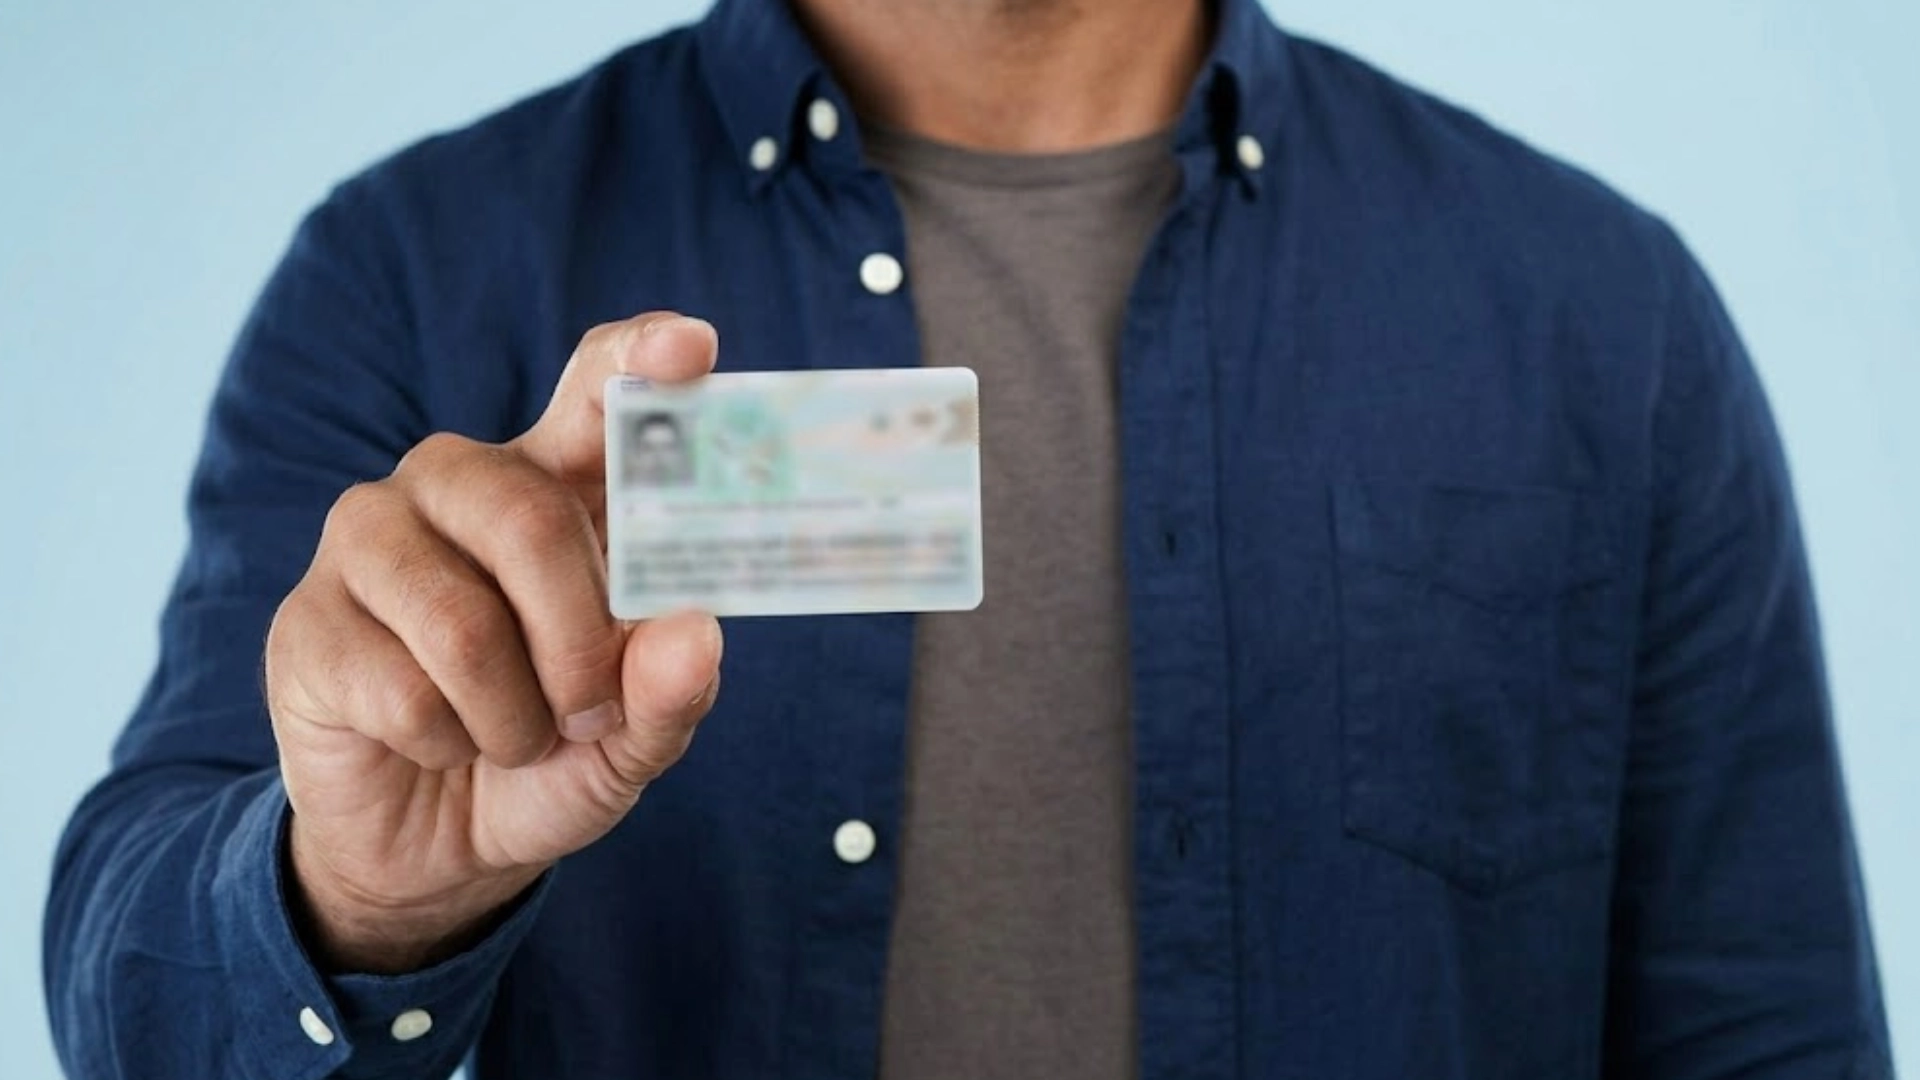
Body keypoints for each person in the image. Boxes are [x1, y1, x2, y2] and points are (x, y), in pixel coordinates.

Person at [43, 0, 1893, 1076]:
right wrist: (357, 901)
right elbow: (128, 994)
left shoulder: (1598, 315)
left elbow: (1771, 1037)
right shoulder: (417, 274)